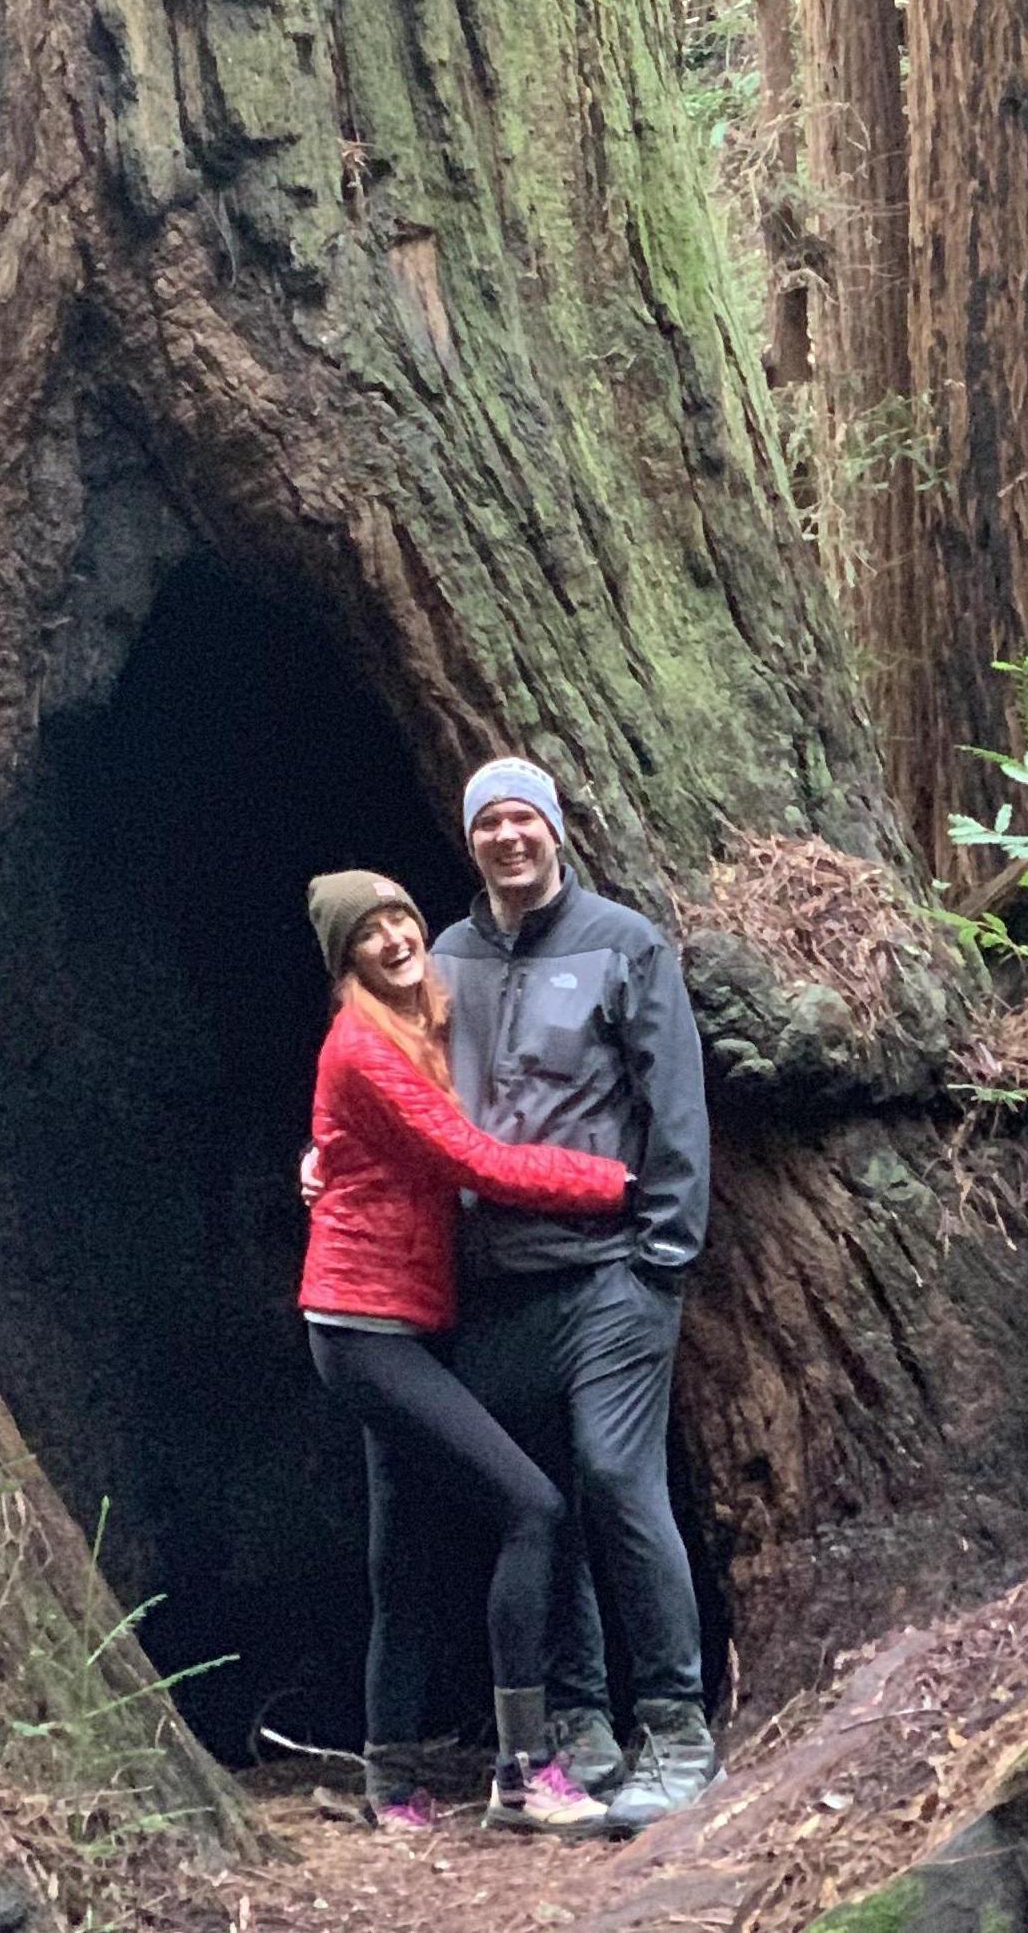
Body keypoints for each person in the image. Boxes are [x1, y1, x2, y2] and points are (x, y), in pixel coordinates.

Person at [298, 868, 634, 1840]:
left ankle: (387, 1779)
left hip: (402, 1318)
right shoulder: (363, 1046)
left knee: (401, 1560)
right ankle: (522, 1769)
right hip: (362, 1326)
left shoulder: (428, 1021)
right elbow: (473, 1160)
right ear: (346, 959)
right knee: (532, 1505)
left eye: (401, 915)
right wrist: (613, 1180)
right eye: (370, 932)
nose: (396, 937)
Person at [435, 756, 717, 1833]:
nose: (509, 837)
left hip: (609, 1271)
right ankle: (582, 1724)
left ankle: (676, 1728)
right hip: (497, 1279)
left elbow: (673, 1099)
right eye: (489, 822)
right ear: (472, 840)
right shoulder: (446, 959)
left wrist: (662, 1251)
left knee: (613, 1476)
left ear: (554, 829)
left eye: (523, 818)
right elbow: (397, 1084)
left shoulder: (622, 942)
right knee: (532, 1498)